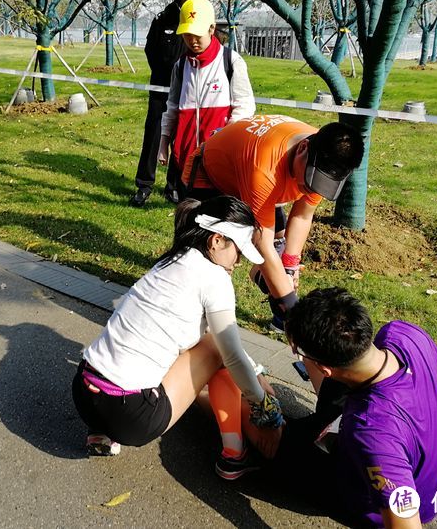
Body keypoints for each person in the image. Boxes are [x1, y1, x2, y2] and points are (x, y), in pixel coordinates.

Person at [72, 195, 283, 479]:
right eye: (239, 252)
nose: (239, 262)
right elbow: (230, 354)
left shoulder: (172, 260)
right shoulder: (215, 278)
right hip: (130, 417)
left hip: (84, 392)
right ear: (217, 241)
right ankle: (235, 455)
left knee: (194, 344)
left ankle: (101, 434)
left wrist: (254, 372)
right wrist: (262, 403)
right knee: (214, 348)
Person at [246, 287, 437, 528]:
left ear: (326, 370)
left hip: (371, 502)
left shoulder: (371, 432)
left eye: (299, 351)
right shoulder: (404, 335)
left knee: (258, 420)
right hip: (412, 457)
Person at [181, 114, 364, 331]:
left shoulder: (328, 154)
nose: (310, 188)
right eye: (310, 180)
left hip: (262, 185)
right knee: (210, 255)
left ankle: (281, 317)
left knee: (281, 257)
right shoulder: (265, 166)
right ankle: (191, 315)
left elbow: (303, 215)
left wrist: (290, 265)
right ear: (303, 148)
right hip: (211, 176)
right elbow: (261, 245)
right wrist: (292, 306)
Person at [129, 0, 212, 208]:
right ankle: (144, 185)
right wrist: (166, 74)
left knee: (183, 136)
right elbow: (151, 50)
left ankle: (174, 186)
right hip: (162, 86)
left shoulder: (204, 16)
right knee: (154, 133)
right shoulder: (164, 17)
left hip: (190, 88)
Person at [158, 0, 255, 201]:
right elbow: (172, 107)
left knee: (217, 220)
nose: (192, 40)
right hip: (185, 161)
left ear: (211, 29)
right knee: (188, 220)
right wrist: (163, 143)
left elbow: (245, 107)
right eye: (186, 35)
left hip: (220, 163)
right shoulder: (180, 66)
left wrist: (225, 138)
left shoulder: (232, 62)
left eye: (197, 34)